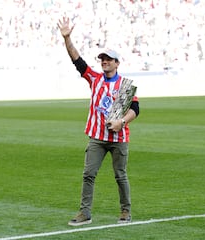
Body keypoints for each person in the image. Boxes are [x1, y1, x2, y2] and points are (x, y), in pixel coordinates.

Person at [57, 17, 140, 226]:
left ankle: (125, 211)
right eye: (102, 59)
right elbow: (77, 60)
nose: (104, 62)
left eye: (109, 59)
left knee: (120, 175)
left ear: (117, 63)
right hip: (97, 137)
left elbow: (135, 109)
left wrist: (122, 121)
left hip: (119, 137)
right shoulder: (95, 78)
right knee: (88, 174)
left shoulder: (125, 85)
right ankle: (85, 213)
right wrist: (67, 38)